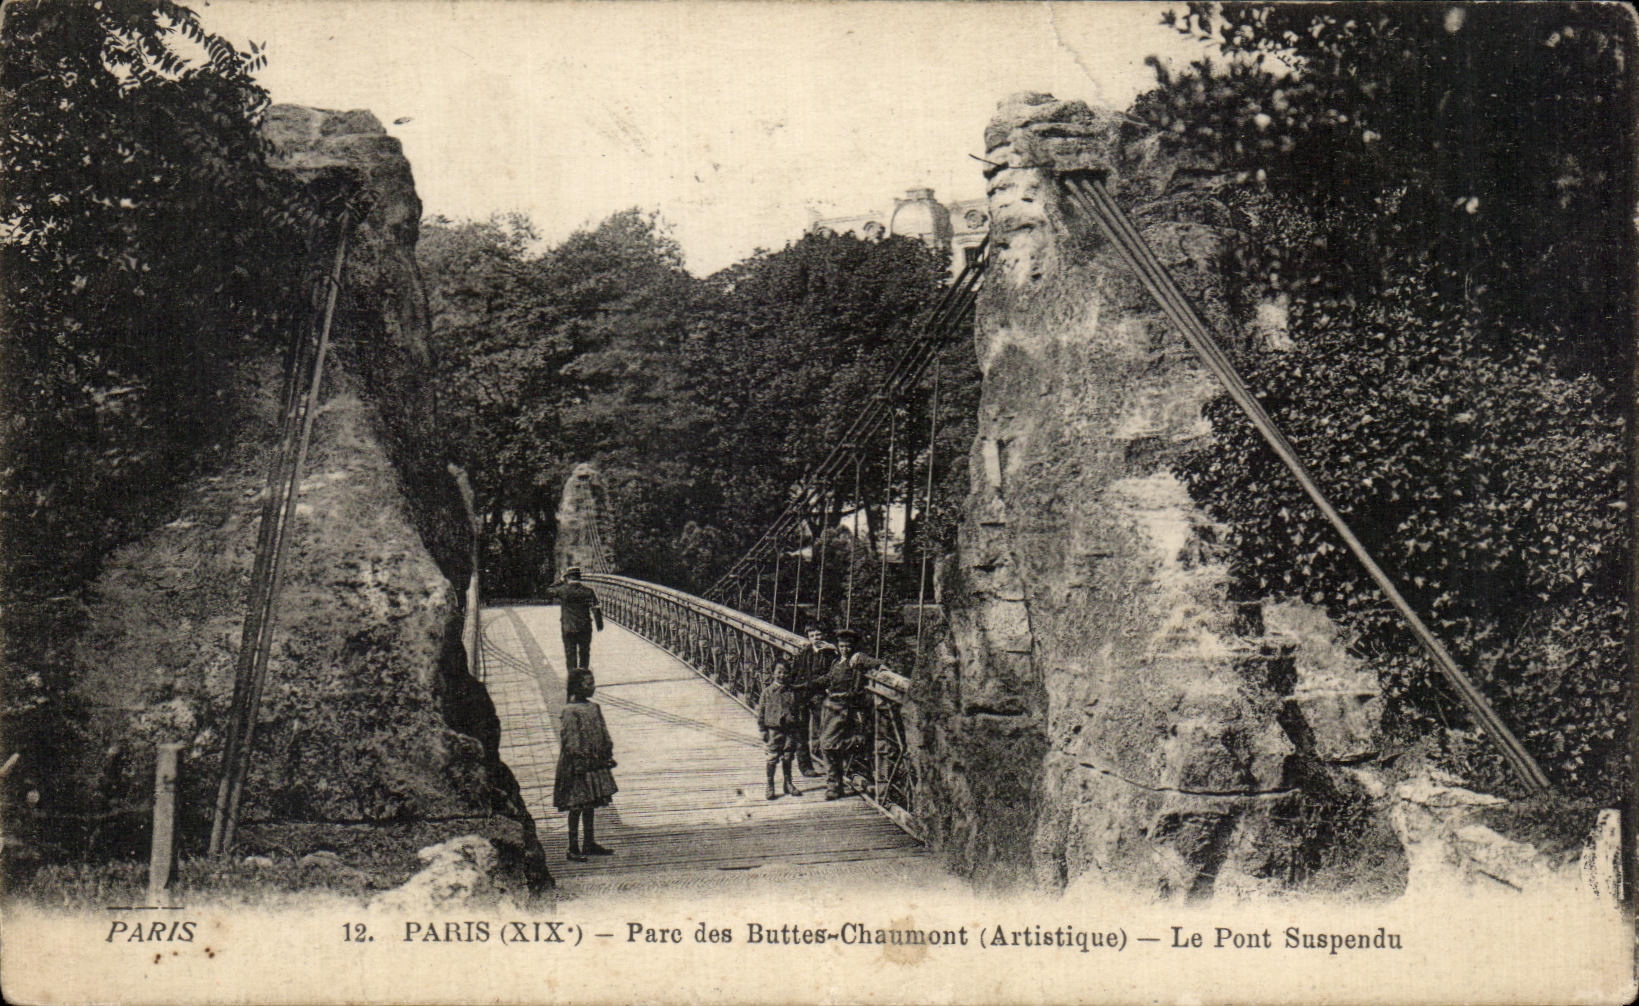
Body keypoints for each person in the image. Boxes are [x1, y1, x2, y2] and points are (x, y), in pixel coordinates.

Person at [552, 669, 617, 861]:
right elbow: (571, 740)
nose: (593, 687)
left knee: (590, 802)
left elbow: (603, 731)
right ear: (577, 687)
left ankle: (588, 842)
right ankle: (572, 847)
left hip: (593, 762)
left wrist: (607, 750)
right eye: (588, 684)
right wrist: (578, 758)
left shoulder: (594, 708)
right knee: (577, 804)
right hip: (577, 765)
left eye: (592, 683)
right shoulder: (570, 711)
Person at [818, 628, 879, 801]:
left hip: (845, 709)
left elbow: (877, 664)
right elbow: (828, 678)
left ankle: (834, 785)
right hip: (831, 707)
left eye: (848, 646)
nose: (845, 649)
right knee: (828, 745)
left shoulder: (857, 660)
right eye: (842, 645)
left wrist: (876, 665)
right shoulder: (837, 661)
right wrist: (805, 684)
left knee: (827, 745)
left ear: (853, 646)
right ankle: (836, 785)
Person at [788, 622, 837, 778]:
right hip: (802, 696)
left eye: (818, 635)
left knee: (825, 730)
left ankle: (829, 764)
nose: (816, 638)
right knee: (801, 732)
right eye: (812, 636)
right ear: (808, 638)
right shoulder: (803, 653)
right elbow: (794, 672)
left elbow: (831, 675)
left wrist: (834, 649)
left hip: (819, 695)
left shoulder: (830, 654)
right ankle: (805, 767)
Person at [756, 657, 805, 800]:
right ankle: (770, 784)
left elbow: (797, 710)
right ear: (773, 673)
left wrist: (797, 725)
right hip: (773, 730)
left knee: (788, 756)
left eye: (785, 673)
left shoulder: (792, 692)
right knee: (772, 757)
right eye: (779, 672)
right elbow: (761, 712)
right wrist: (762, 730)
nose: (782, 675)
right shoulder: (767, 692)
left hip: (789, 730)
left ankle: (788, 783)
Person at [545, 566, 603, 671]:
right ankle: (583, 675)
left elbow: (549, 591)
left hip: (568, 627)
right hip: (585, 627)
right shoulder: (588, 591)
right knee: (584, 652)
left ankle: (573, 678)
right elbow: (596, 608)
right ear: (579, 578)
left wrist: (560, 581)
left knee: (570, 653)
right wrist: (599, 625)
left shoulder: (563, 590)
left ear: (568, 578)